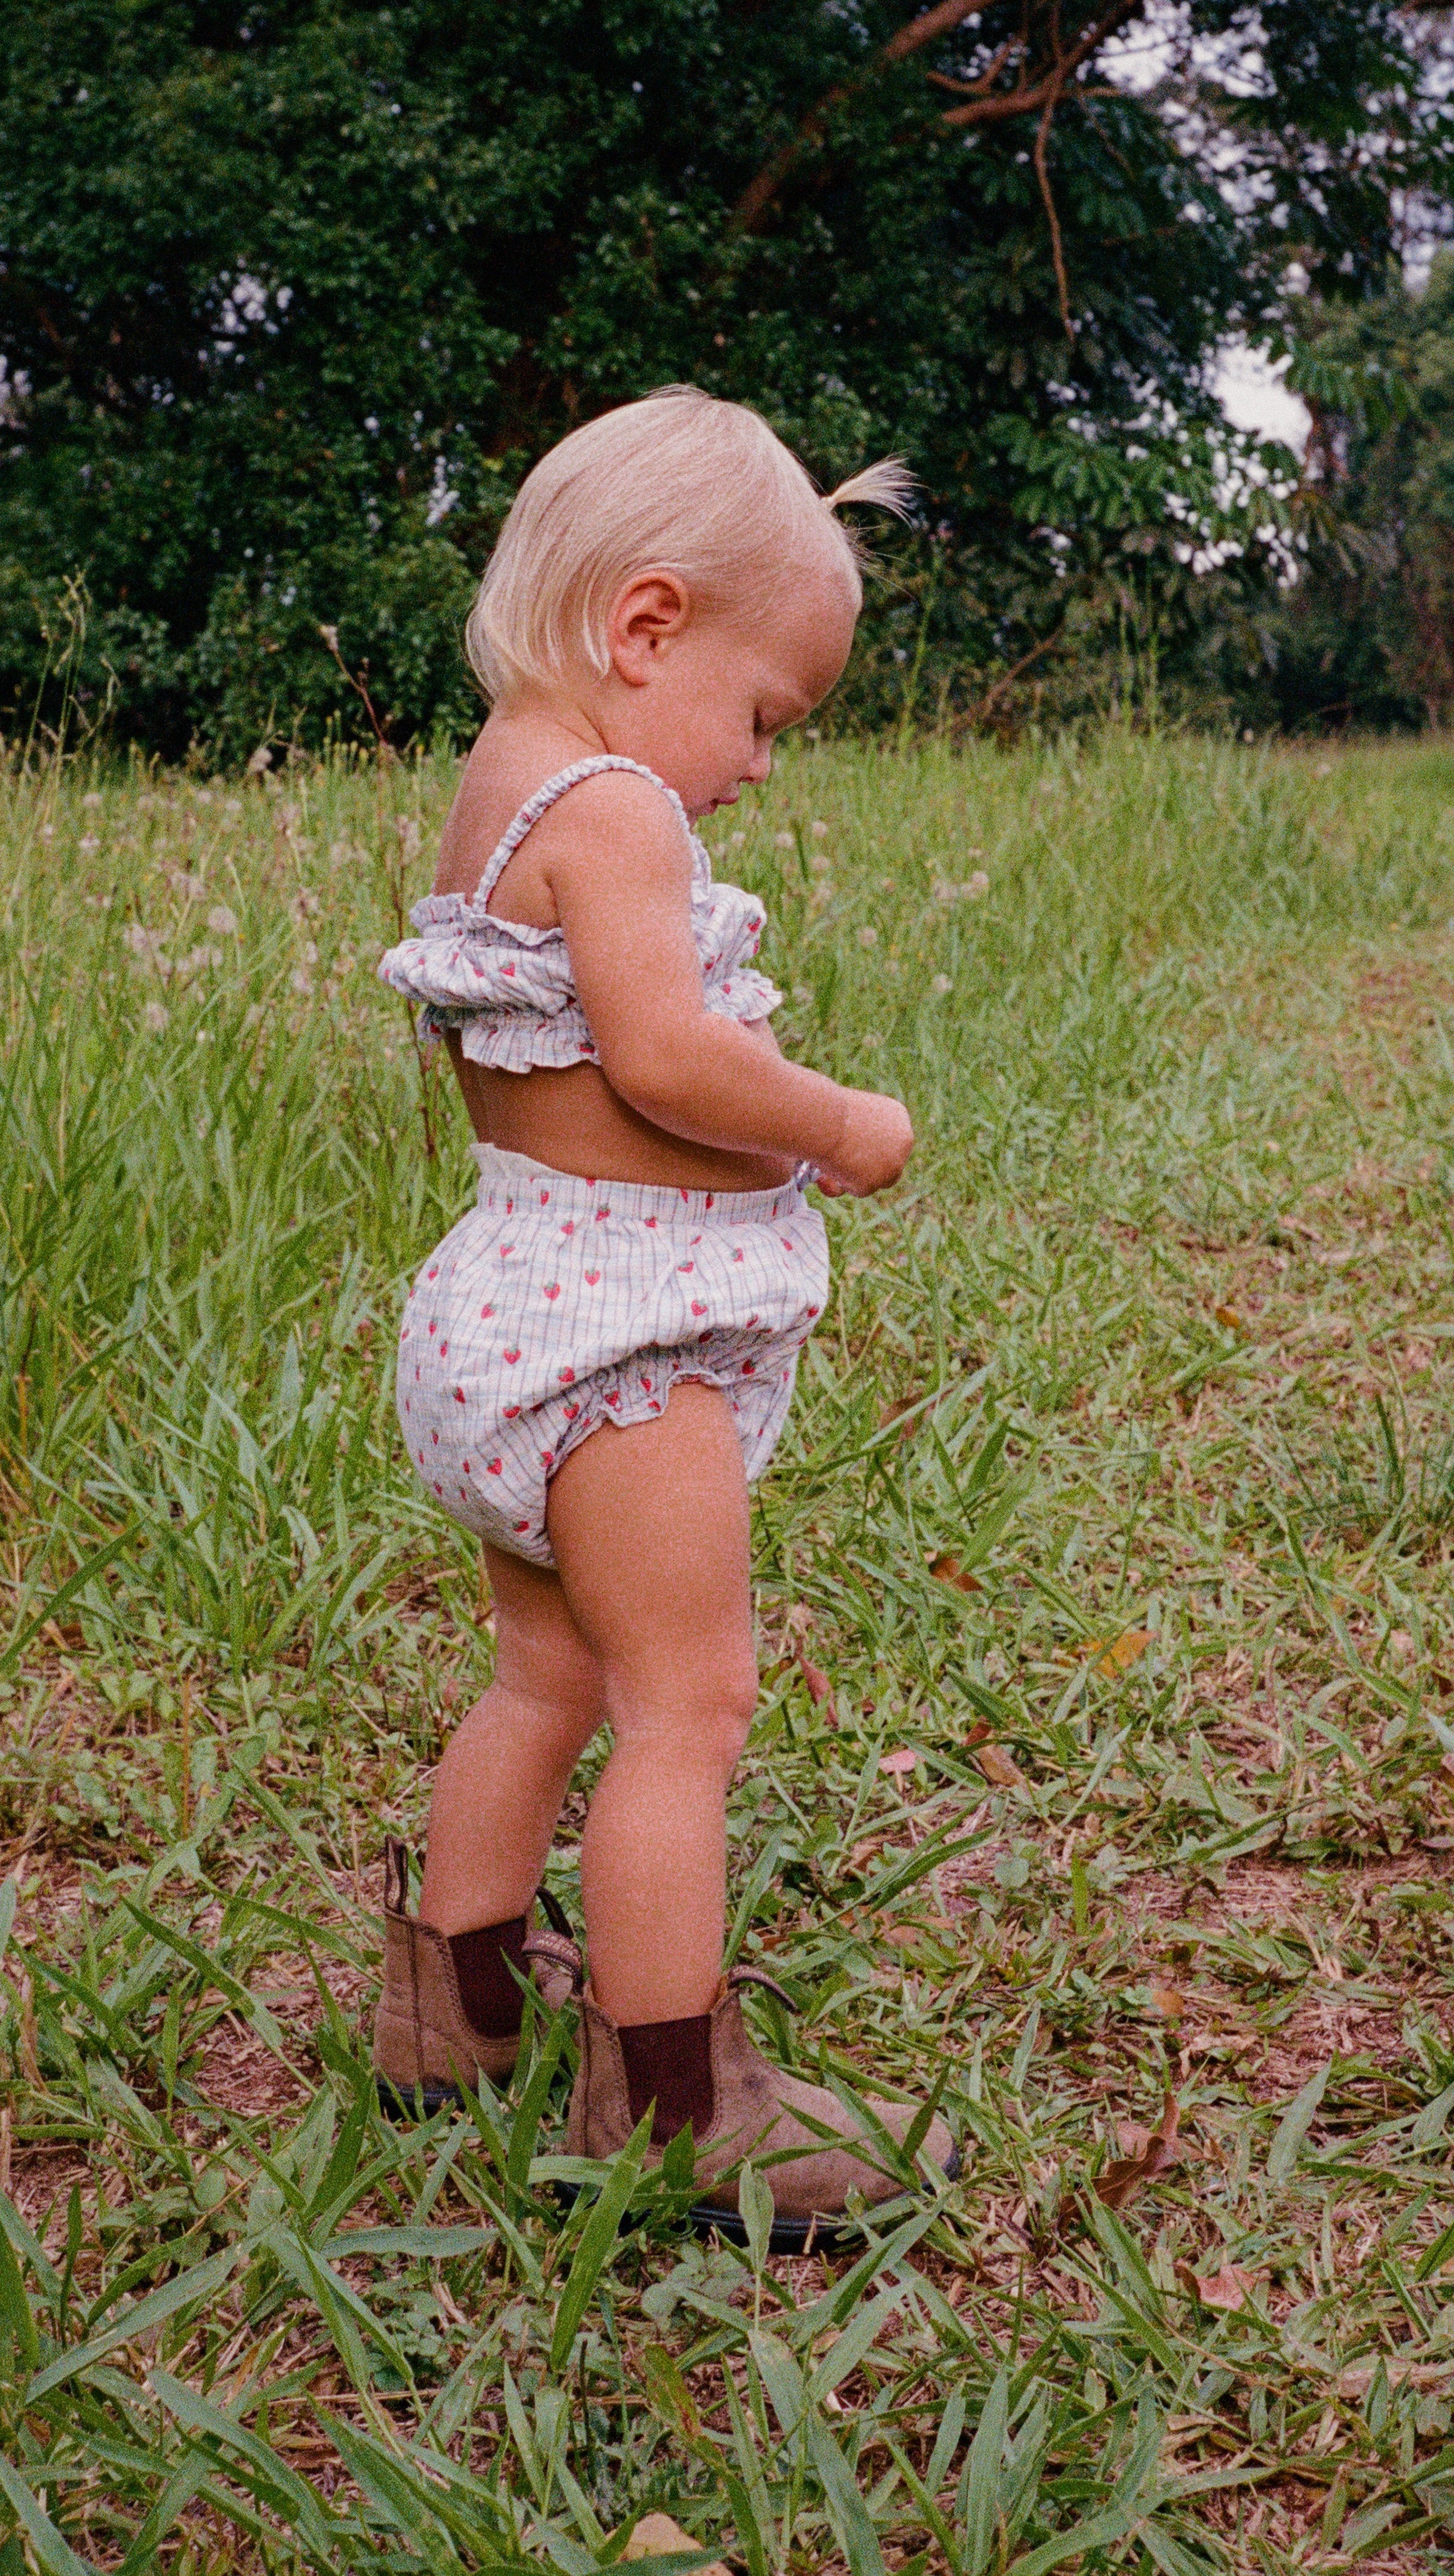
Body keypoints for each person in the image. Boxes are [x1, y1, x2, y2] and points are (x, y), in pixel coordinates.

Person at [371, 386, 953, 2247]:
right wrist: (840, 1123)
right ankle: (680, 2099)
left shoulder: (505, 774)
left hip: (502, 1307)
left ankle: (449, 1997)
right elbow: (670, 1053)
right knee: (685, 1704)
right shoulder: (616, 807)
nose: (762, 764)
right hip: (613, 1350)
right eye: (765, 713)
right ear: (645, 626)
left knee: (543, 1671)